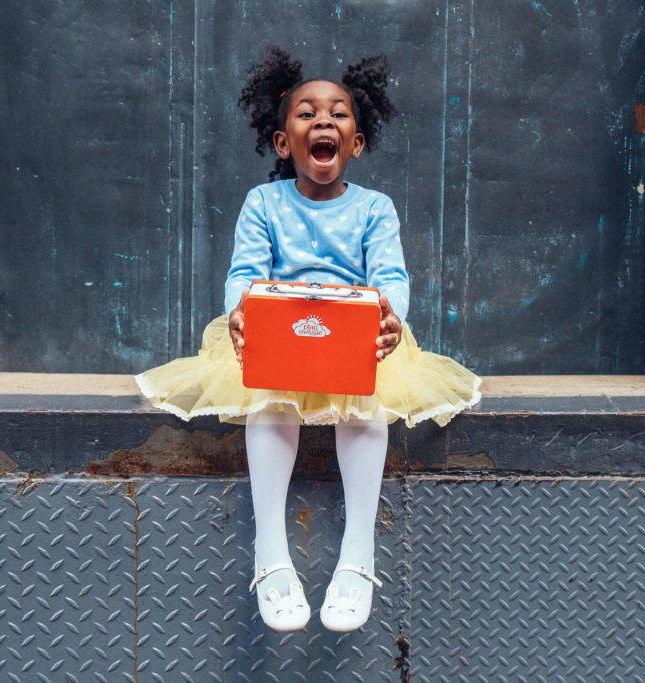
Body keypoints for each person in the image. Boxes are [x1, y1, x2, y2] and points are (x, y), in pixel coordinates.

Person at [135, 46, 481, 633]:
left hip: (354, 335)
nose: (324, 121)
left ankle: (357, 557)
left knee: (366, 401)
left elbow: (389, 277)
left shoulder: (375, 208)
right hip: (281, 334)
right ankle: (271, 557)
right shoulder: (263, 202)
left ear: (357, 143)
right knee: (270, 398)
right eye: (307, 113)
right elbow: (243, 272)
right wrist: (242, 312)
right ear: (281, 142)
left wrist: (390, 317)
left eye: (339, 113)